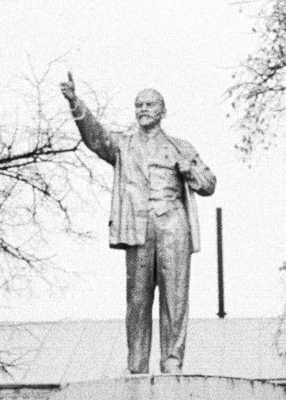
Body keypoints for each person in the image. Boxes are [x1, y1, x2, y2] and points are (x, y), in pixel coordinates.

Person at [60, 74, 217, 375]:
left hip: (173, 223)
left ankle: (172, 360)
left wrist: (189, 172)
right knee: (137, 299)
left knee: (175, 297)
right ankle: (137, 364)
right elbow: (96, 138)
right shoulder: (124, 145)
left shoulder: (180, 146)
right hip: (138, 227)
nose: (143, 109)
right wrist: (75, 104)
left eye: (149, 104)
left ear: (162, 111)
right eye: (138, 105)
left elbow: (209, 184)